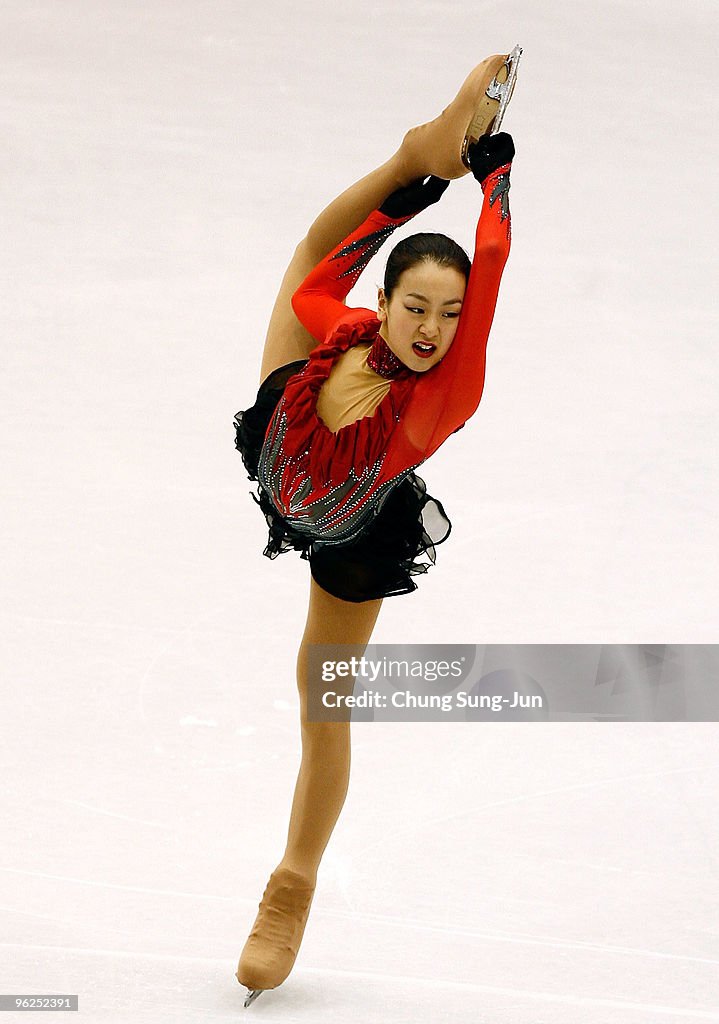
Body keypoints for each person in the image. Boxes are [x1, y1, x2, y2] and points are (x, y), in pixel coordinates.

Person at [233, 51, 518, 1006]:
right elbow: (330, 259)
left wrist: (495, 185)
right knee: (304, 258)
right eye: (414, 308)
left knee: (322, 695)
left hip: (355, 529)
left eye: (447, 312)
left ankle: (293, 882)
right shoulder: (339, 332)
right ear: (385, 307)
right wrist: (416, 186)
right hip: (287, 444)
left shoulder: (450, 390)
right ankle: (416, 148)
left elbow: (490, 266)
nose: (432, 327)